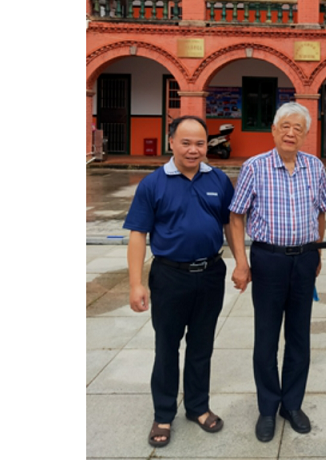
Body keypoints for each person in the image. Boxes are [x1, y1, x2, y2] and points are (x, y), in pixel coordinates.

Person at [124, 115, 238, 448]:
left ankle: (198, 407)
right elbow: (137, 235)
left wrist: (240, 263)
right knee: (167, 347)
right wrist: (135, 283)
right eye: (185, 142)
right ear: (171, 141)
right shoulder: (153, 184)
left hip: (210, 274)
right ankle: (163, 414)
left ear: (208, 145)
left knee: (202, 346)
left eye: (200, 143)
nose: (193, 150)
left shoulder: (218, 179)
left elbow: (231, 224)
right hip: (169, 276)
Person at [228, 102, 326, 442]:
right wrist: (242, 262)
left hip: (303, 260)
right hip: (268, 260)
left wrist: (316, 252)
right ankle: (267, 407)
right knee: (267, 336)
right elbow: (236, 216)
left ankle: (292, 403)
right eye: (285, 126)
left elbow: (321, 211)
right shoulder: (254, 167)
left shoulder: (315, 166)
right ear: (273, 131)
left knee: (300, 336)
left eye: (298, 128)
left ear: (305, 134)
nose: (291, 133)